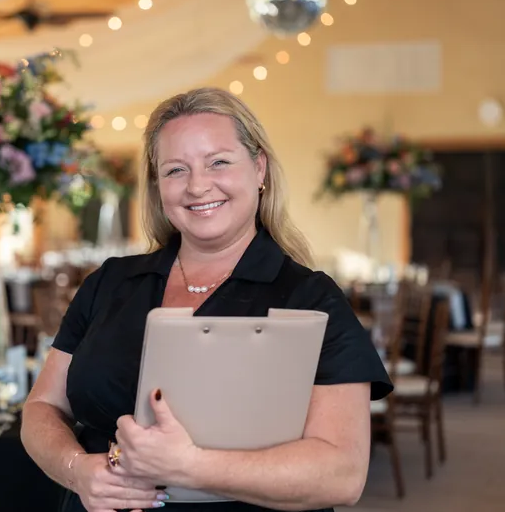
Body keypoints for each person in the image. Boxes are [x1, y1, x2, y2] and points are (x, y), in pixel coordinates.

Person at [21, 87, 393, 512]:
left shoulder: (312, 299)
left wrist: (190, 466)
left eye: (218, 162)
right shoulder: (111, 282)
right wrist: (77, 469)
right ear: (158, 185)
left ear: (259, 168)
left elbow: (341, 474)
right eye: (176, 170)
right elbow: (42, 407)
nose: (198, 186)